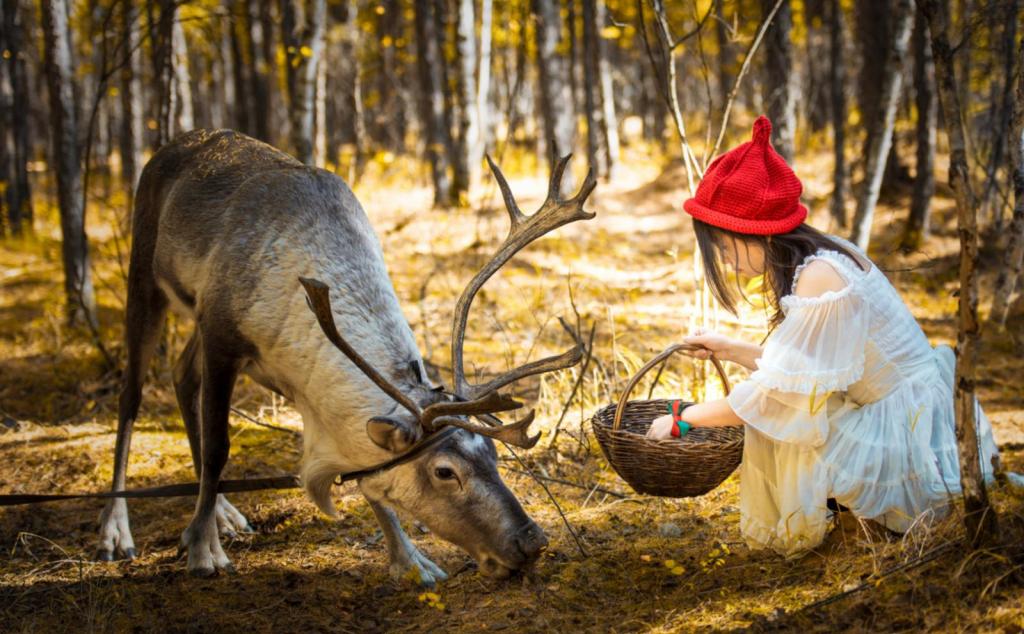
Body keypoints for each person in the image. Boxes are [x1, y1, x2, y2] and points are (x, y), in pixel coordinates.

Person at [645, 115, 1000, 557]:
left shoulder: (820, 278)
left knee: (787, 428)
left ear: (750, 234)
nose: (726, 261)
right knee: (796, 415)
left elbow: (777, 399)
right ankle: (852, 522)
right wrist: (732, 350)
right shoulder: (827, 251)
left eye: (722, 245)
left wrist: (684, 418)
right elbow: (806, 377)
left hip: (906, 435)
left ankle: (852, 525)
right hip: (912, 411)